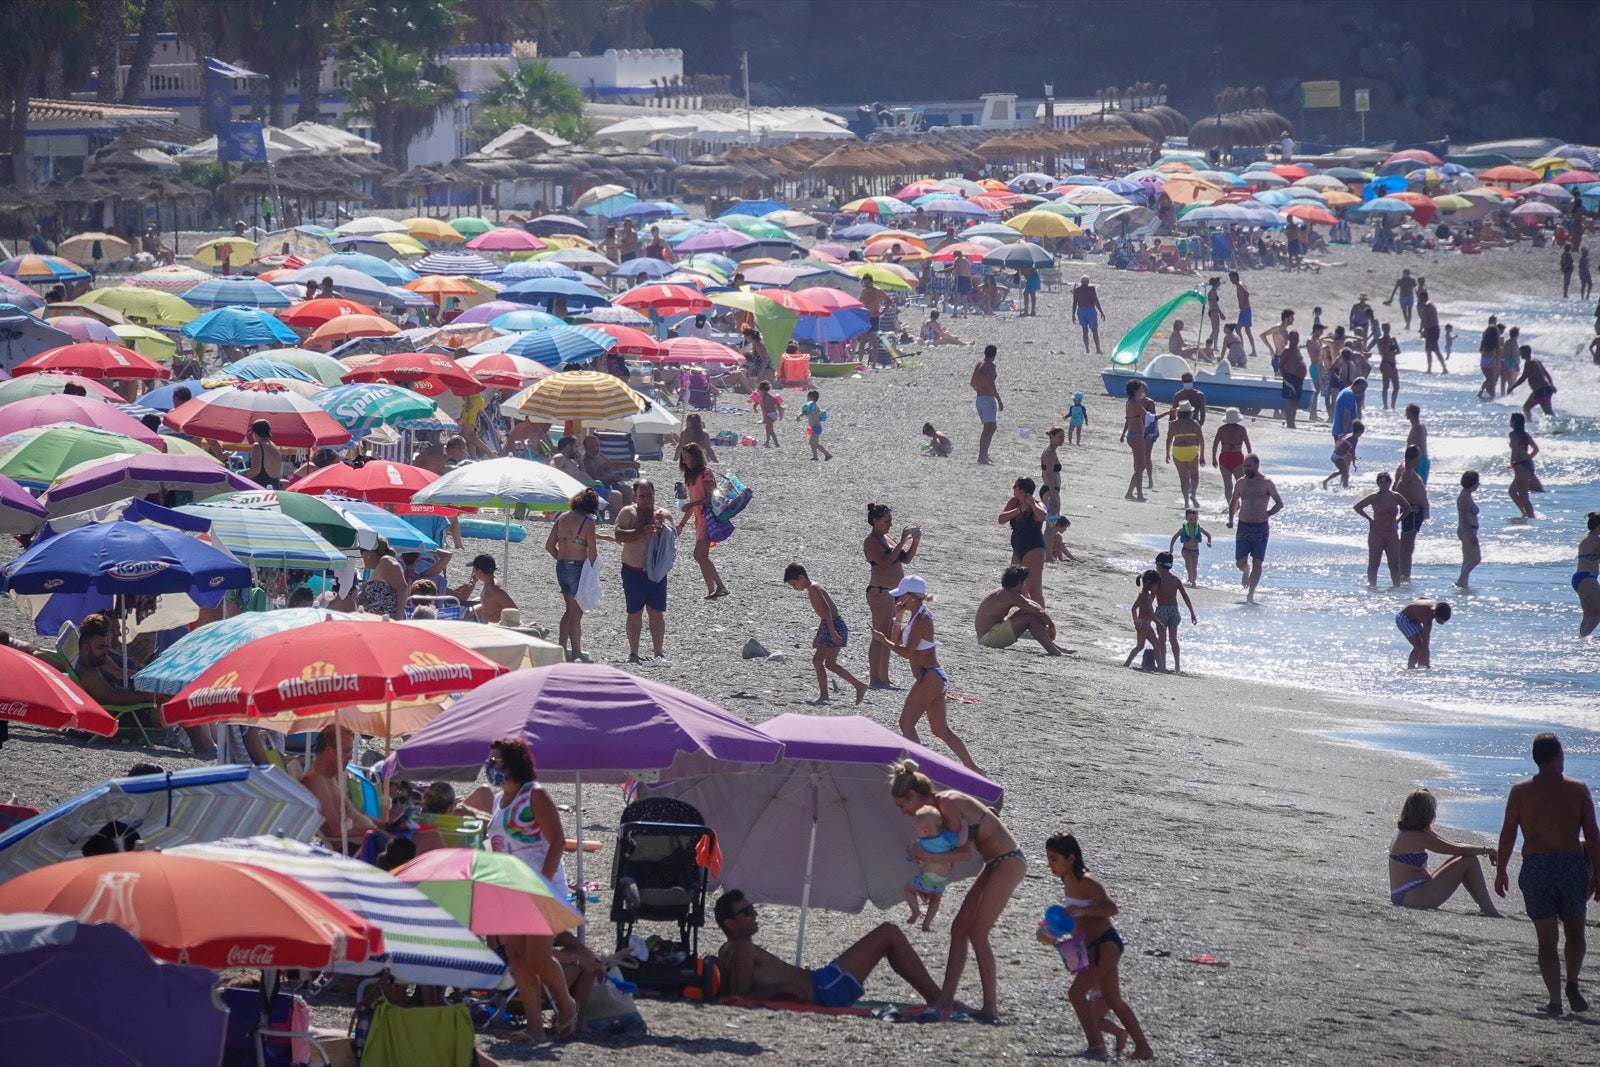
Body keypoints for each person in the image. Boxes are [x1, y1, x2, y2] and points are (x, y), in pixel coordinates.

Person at [889, 759, 1021, 1021]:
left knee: (978, 932)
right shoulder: (935, 815)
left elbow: (962, 854)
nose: (903, 812)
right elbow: (947, 858)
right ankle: (945, 1000)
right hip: (995, 862)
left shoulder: (947, 802)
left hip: (1008, 861)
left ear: (913, 795)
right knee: (959, 928)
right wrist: (929, 881)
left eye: (902, 805)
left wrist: (925, 854)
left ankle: (990, 1009)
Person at [1493, 733, 1600, 1016]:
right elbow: (1592, 835)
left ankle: (1554, 1000)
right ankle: (1573, 982)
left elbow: (1508, 835)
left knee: (1546, 941)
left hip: (1537, 867)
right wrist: (1598, 874)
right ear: (1558, 756)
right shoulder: (1578, 790)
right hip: (1570, 867)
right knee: (1575, 931)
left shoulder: (1520, 791)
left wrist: (1501, 870)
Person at [484, 738, 580, 1040]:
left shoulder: (534, 795)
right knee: (516, 955)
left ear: (513, 763)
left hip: (541, 885)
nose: (491, 766)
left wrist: (541, 884)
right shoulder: (499, 800)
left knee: (537, 955)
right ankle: (534, 1029)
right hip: (510, 887)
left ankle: (567, 1005)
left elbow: (558, 841)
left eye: (497, 761)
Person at [714, 888, 942, 1008]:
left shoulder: (726, 950)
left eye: (752, 908)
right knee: (889, 932)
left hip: (823, 982)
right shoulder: (742, 947)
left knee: (888, 938)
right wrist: (782, 987)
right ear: (730, 923)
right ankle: (938, 998)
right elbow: (740, 996)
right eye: (746, 912)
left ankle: (936, 997)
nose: (754, 914)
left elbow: (731, 990)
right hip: (825, 989)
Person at [1046, 834, 1154, 1061]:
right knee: (1113, 1000)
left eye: (1054, 859)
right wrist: (1054, 929)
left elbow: (1111, 908)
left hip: (1106, 944)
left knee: (1076, 993)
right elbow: (1077, 918)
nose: (1050, 865)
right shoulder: (1068, 881)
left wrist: (1083, 912)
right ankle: (1144, 1049)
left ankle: (1097, 1047)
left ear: (1071, 857)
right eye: (1049, 859)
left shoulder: (1087, 880)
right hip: (1091, 946)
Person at [872, 577, 979, 772]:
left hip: (929, 678)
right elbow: (899, 640)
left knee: (906, 724)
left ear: (912, 597)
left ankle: (920, 769)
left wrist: (882, 640)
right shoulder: (916, 615)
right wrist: (898, 617)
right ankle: (974, 768)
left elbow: (906, 652)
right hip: (933, 677)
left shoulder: (922, 618)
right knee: (940, 731)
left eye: (902, 596)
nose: (899, 599)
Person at [1387, 789, 1500, 914]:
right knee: (1469, 861)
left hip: (1407, 892)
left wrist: (1485, 850)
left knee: (1466, 858)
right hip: (1412, 895)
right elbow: (1456, 849)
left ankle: (1486, 907)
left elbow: (1455, 845)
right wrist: (1487, 851)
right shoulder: (1417, 836)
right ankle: (1489, 909)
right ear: (1425, 813)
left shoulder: (1411, 831)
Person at [784, 562, 867, 704]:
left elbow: (828, 611)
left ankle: (859, 685)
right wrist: (818, 635)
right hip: (828, 625)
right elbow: (823, 614)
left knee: (830, 663)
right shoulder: (812, 588)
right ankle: (824, 696)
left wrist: (832, 632)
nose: (794, 588)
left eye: (793, 585)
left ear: (801, 577)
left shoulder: (814, 589)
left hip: (835, 625)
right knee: (817, 661)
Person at [612, 479, 674, 664]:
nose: (646, 500)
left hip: (655, 572)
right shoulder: (628, 513)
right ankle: (633, 652)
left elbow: (673, 535)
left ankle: (658, 652)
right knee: (634, 612)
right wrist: (641, 532)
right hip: (633, 570)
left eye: (649, 496)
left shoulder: (662, 514)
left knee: (656, 612)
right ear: (634, 496)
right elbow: (618, 535)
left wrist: (662, 528)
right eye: (642, 496)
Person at [301, 726, 387, 853]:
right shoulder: (316, 780)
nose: (350, 757)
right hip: (356, 849)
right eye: (347, 751)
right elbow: (334, 831)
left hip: (365, 842)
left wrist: (383, 825)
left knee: (418, 833)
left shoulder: (330, 779)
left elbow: (353, 815)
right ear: (330, 751)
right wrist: (375, 831)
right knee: (421, 842)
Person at [863, 503, 920, 688]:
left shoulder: (888, 537)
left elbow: (906, 559)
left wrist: (914, 542)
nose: (890, 525)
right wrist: (903, 541)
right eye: (886, 521)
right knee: (879, 635)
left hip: (893, 593)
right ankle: (874, 678)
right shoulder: (871, 541)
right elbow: (885, 562)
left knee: (887, 636)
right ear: (875, 521)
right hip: (880, 591)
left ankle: (883, 678)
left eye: (891, 521)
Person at [545, 487, 599, 662]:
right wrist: (592, 573)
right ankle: (575, 652)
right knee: (576, 613)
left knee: (569, 610)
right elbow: (592, 552)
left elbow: (549, 546)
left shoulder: (562, 518)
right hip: (577, 566)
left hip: (561, 565)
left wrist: (561, 558)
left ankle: (561, 649)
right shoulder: (587, 521)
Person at [973, 565, 1067, 655]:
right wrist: (1051, 625)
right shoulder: (1010, 595)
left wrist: (1024, 593)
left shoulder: (1004, 591)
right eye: (1024, 582)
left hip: (989, 634)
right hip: (988, 639)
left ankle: (1056, 648)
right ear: (1019, 582)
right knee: (1030, 619)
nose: (1026, 585)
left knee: (1026, 612)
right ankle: (1054, 651)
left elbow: (1032, 605)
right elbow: (1037, 610)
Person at [1226, 454, 1283, 605]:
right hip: (1243, 526)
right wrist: (1230, 519)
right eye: (1244, 466)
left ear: (1257, 466)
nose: (1246, 469)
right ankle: (1245, 571)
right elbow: (1233, 502)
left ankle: (1250, 594)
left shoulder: (1266, 483)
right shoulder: (1241, 483)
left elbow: (1279, 503)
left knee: (1258, 562)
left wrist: (1269, 513)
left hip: (1261, 527)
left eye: (1249, 466)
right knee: (1240, 562)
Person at [676, 443, 729, 599]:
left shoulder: (706, 474)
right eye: (683, 458)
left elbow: (710, 498)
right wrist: (682, 524)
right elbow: (692, 505)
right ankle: (711, 589)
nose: (684, 461)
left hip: (707, 519)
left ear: (695, 456)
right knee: (702, 555)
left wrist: (690, 504)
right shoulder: (691, 476)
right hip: (699, 521)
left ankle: (721, 586)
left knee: (698, 555)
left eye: (687, 457)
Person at [904, 806, 965, 931]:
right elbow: (961, 841)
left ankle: (915, 911)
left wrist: (910, 856)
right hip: (941, 882)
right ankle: (926, 923)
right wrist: (964, 827)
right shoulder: (947, 838)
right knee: (935, 902)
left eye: (916, 830)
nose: (915, 832)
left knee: (908, 888)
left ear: (925, 831)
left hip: (926, 880)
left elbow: (913, 856)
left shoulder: (922, 842)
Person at [1354, 472, 1412, 587]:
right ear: (1378, 483)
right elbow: (1357, 507)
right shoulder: (1374, 496)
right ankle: (1372, 587)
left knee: (1394, 565)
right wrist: (1370, 520)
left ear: (1390, 483)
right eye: (1381, 482)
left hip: (1392, 534)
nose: (1384, 484)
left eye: (1386, 481)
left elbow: (1407, 509)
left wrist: (1398, 520)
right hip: (1377, 533)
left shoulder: (1395, 496)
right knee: (1374, 563)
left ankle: (1396, 588)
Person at [1000, 477, 1048, 606]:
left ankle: (1040, 617)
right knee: (1013, 585)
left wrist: (1031, 504)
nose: (1013, 489)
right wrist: (1018, 510)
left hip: (1033, 548)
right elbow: (1001, 519)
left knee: (1033, 588)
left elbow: (1043, 517)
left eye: (1015, 487)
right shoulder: (1014, 502)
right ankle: (1025, 611)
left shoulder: (1037, 503)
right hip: (1017, 548)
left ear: (1022, 490)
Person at [332, 538, 407, 619]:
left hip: (387, 620)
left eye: (362, 552)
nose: (361, 557)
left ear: (369, 553)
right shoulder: (379, 568)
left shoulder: (386, 561)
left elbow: (402, 588)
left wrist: (398, 618)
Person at [1150, 552, 1196, 672]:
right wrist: (1192, 613)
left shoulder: (1157, 578)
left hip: (1162, 611)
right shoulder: (1175, 579)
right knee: (1173, 639)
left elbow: (1153, 595)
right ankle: (1177, 666)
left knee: (1162, 639)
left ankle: (1163, 665)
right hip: (1174, 611)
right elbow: (1185, 596)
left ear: (1159, 565)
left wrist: (1147, 609)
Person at [448, 554, 516, 625]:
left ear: (479, 571)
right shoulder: (489, 584)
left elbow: (514, 610)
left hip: (496, 629)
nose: (473, 572)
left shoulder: (495, 589)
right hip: (489, 626)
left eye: (474, 569)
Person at [1164, 402, 1205, 510]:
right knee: (1194, 475)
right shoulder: (1194, 423)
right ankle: (1193, 494)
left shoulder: (1174, 424)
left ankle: (1186, 503)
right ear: (1190, 412)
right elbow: (1201, 439)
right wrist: (1202, 455)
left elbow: (1169, 439)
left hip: (1178, 451)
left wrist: (1167, 453)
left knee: (1184, 479)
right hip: (1191, 450)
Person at [1123, 570, 1164, 669]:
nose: (1157, 588)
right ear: (1149, 584)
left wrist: (1136, 621)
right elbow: (1150, 613)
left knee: (1157, 645)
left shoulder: (1143, 595)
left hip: (1145, 624)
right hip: (1144, 624)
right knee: (1140, 646)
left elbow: (1134, 609)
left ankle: (1161, 668)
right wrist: (1159, 623)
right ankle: (1126, 664)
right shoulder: (1145, 596)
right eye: (1156, 585)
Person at [1211, 408, 1252, 506]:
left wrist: (1214, 458)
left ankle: (1233, 505)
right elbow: (1248, 445)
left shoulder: (1221, 429)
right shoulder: (1241, 429)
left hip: (1224, 457)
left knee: (1228, 486)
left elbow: (1215, 444)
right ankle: (1243, 505)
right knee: (1241, 484)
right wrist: (1250, 459)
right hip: (1238, 457)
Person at [970, 344, 1002, 465]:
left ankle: (984, 454)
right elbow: (991, 384)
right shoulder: (991, 366)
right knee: (988, 428)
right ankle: (981, 456)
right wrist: (999, 400)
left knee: (991, 427)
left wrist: (979, 391)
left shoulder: (979, 364)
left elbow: (972, 382)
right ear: (994, 355)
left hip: (979, 398)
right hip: (987, 399)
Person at [1396, 598, 1450, 668]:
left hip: (1416, 619)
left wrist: (1416, 609)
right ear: (1435, 614)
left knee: (1422, 646)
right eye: (1440, 620)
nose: (1442, 623)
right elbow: (1426, 644)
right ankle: (1410, 667)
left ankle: (1421, 664)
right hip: (1404, 619)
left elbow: (1422, 598)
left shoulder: (1434, 603)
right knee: (1419, 646)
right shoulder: (1427, 619)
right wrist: (1428, 665)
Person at [1508, 412, 1542, 520]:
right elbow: (1536, 449)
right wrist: (1528, 458)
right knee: (1512, 492)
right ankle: (1525, 513)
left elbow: (1515, 450)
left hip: (1520, 466)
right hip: (1528, 465)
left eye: (1511, 420)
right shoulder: (1525, 434)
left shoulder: (1513, 434)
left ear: (1514, 422)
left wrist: (1512, 463)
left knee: (1523, 496)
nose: (1510, 422)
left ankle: (1531, 517)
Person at [1121, 380, 1151, 502]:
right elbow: (1149, 417)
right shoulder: (1135, 403)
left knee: (1140, 466)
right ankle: (1135, 493)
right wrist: (1167, 413)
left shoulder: (1130, 402)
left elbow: (1128, 420)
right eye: (1140, 389)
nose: (1141, 392)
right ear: (1135, 391)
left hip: (1133, 435)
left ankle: (1134, 493)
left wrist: (1123, 433)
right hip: (1137, 436)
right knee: (1140, 467)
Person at [1169, 508, 1212, 588]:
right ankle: (1190, 579)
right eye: (1191, 519)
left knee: (1194, 567)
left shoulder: (1199, 528)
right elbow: (1174, 537)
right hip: (1186, 550)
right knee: (1188, 563)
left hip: (1195, 551)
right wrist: (1171, 547)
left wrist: (1209, 542)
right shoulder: (1183, 529)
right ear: (1186, 519)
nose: (1193, 521)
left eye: (1195, 519)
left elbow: (1208, 535)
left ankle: (1193, 581)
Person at [1573, 512, 1600, 637]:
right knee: (1598, 611)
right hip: (1587, 578)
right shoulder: (1596, 539)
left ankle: (1580, 640)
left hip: (1579, 578)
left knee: (1589, 614)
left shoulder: (1587, 537)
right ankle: (1583, 639)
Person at [1510, 348, 1558, 417]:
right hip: (1544, 389)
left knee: (1548, 413)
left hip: (1541, 391)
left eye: (1521, 353)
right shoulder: (1536, 360)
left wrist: (1512, 388)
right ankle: (1529, 423)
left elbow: (1523, 377)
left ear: (1526, 352)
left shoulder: (1529, 363)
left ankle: (1530, 423)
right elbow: (1546, 373)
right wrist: (1552, 385)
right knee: (1526, 407)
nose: (1520, 355)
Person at [1277, 331, 1306, 430]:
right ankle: (1289, 423)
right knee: (1290, 401)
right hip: (1290, 378)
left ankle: (1292, 422)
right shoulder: (1287, 351)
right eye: (1294, 338)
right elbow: (1281, 366)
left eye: (1297, 338)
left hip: (1299, 379)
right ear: (1289, 338)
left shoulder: (1297, 349)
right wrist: (1286, 377)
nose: (1296, 340)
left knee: (1296, 401)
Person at [243, 419, 283, 489]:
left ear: (254, 433)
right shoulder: (274, 446)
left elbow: (255, 471)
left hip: (261, 489)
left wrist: (239, 474)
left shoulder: (258, 446)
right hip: (275, 487)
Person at [1072, 275, 1105, 354]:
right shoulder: (1091, 289)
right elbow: (1096, 301)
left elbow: (1074, 303)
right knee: (1094, 330)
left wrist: (1073, 315)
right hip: (1090, 310)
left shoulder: (1076, 290)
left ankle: (1087, 349)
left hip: (1081, 310)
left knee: (1084, 330)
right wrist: (1101, 311)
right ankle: (1098, 349)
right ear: (1088, 282)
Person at [796, 389, 831, 461]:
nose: (807, 399)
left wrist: (799, 416)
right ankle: (815, 456)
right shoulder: (812, 406)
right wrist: (799, 416)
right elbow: (805, 412)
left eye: (808, 398)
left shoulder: (812, 406)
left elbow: (804, 412)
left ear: (811, 398)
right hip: (815, 427)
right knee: (812, 443)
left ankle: (827, 454)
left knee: (814, 443)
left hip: (816, 427)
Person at [1227, 270, 1255, 356]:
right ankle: (1253, 351)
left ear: (1235, 277)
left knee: (1238, 329)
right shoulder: (1240, 283)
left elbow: (1247, 293)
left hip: (1245, 310)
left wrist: (1244, 303)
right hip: (1245, 310)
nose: (1230, 280)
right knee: (1247, 331)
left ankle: (1242, 348)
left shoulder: (1239, 285)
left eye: (1231, 278)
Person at [1331, 377, 1365, 442]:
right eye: (1363, 389)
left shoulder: (1345, 391)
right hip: (1344, 431)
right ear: (1358, 386)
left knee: (1340, 451)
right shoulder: (1349, 395)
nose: (1363, 392)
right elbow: (1347, 415)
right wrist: (1345, 434)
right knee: (1348, 452)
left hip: (1338, 430)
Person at [1418, 294, 1445, 372]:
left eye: (1420, 298)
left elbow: (1425, 320)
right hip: (1434, 329)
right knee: (1429, 350)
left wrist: (1423, 330)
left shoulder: (1427, 307)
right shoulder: (1430, 305)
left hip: (1431, 330)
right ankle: (1430, 368)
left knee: (1434, 349)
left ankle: (1443, 368)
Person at [752, 381, 783, 448]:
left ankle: (776, 443)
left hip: (769, 415)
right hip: (774, 414)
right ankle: (767, 442)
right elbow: (778, 405)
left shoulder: (761, 397)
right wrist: (780, 414)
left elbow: (758, 404)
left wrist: (755, 408)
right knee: (768, 428)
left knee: (771, 430)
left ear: (760, 390)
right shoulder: (771, 397)